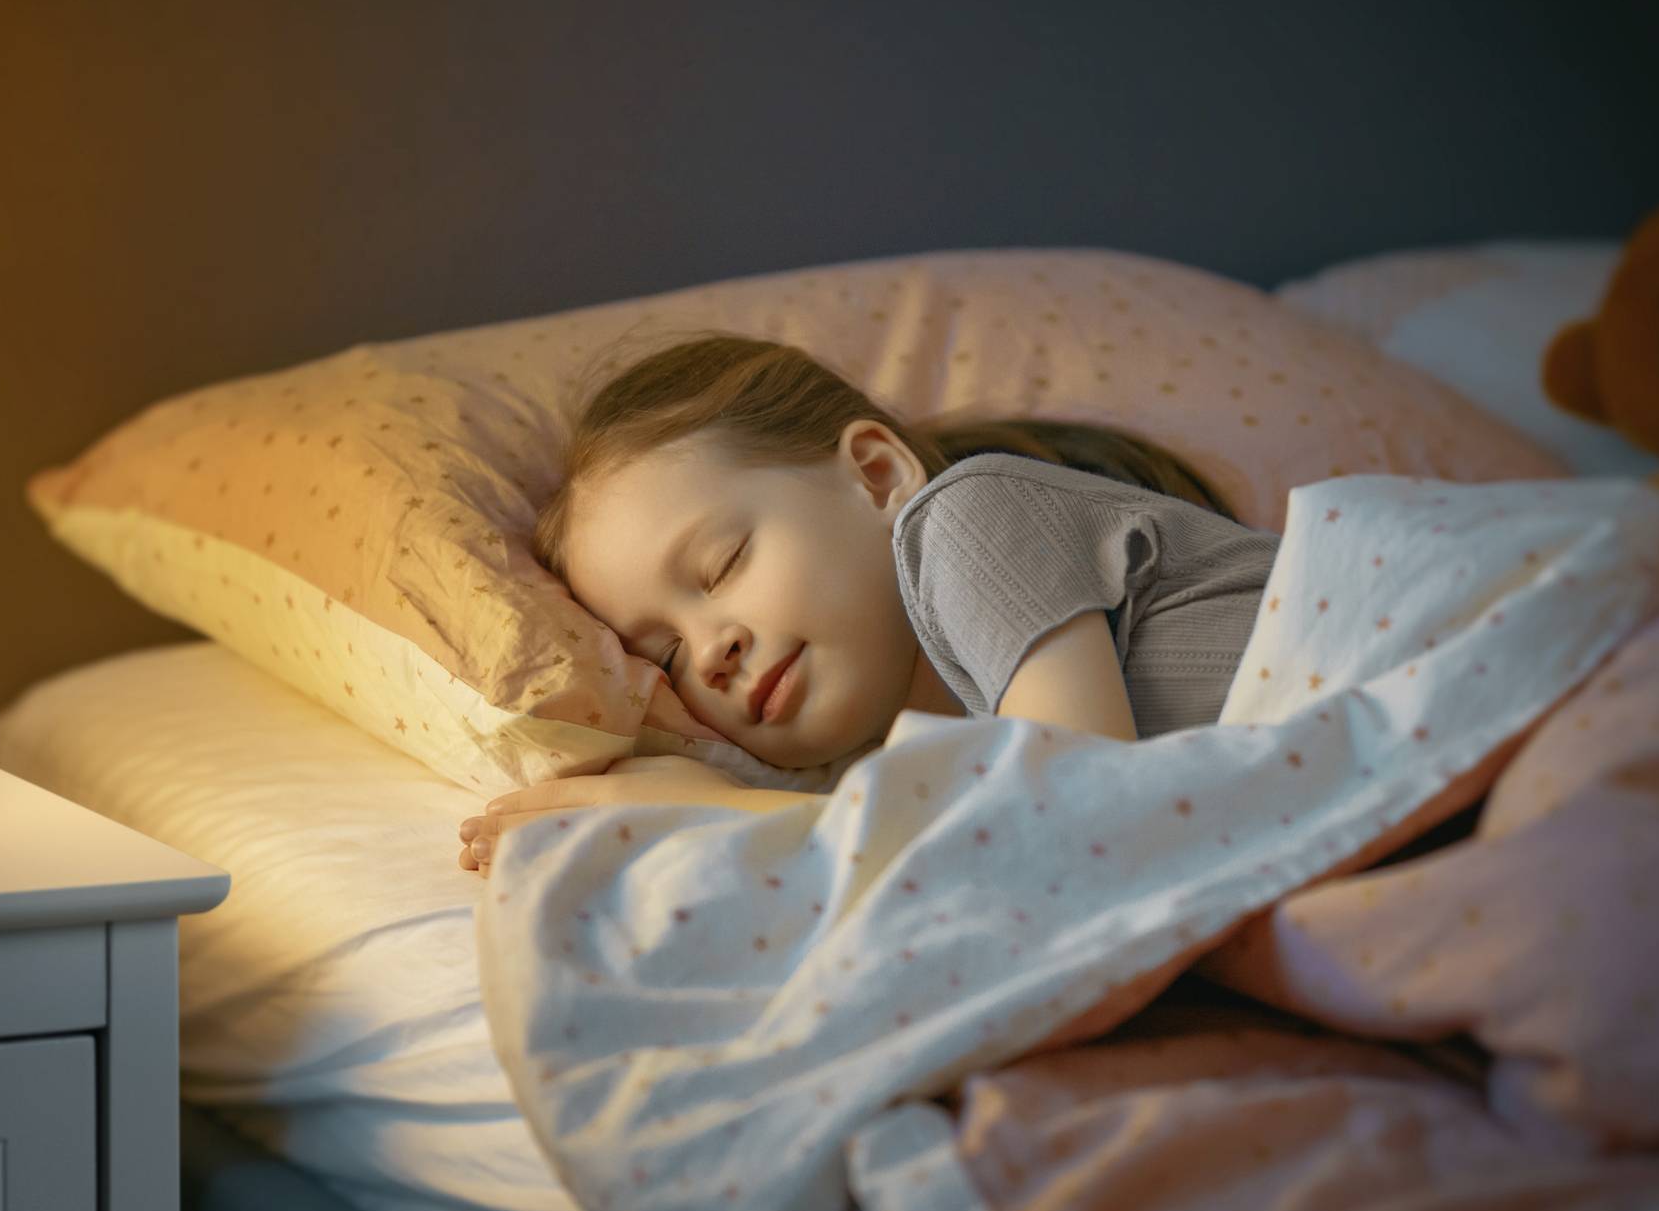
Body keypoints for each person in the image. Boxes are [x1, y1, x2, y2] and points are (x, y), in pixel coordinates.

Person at [458, 334, 1275, 870]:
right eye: (666, 655)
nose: (711, 652)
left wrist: (727, 811)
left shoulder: (969, 517)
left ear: (876, 477)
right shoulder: (884, 780)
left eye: (722, 564)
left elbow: (1073, 827)